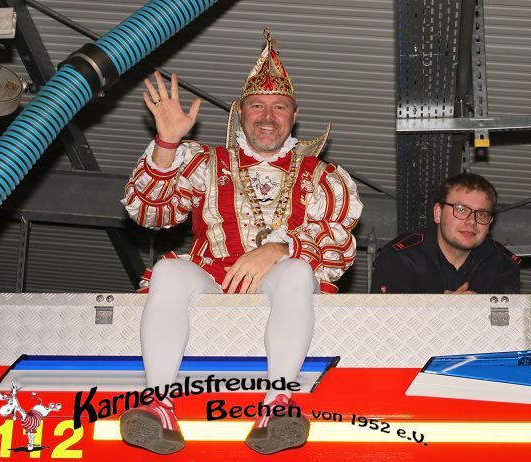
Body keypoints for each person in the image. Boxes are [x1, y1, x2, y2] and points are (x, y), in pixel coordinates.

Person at [121, 30, 363, 455]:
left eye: (279, 106)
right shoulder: (204, 161)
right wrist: (167, 143)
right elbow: (148, 213)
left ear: (294, 115)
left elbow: (338, 244)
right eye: (257, 105)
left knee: (296, 271)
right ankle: (159, 404)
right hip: (214, 275)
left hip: (284, 278)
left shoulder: (322, 176)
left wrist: (278, 248)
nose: (267, 116)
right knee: (168, 271)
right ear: (239, 112)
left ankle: (278, 404)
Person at [371, 173, 520, 294]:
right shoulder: (400, 257)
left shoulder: (503, 264)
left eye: (481, 214)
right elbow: (386, 318)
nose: (471, 222)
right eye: (461, 210)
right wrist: (443, 310)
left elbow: (509, 321)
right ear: (438, 213)